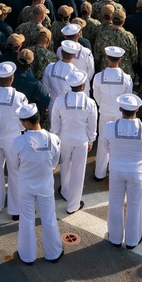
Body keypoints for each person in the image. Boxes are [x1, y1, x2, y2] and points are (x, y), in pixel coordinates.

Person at [11, 102, 63, 265]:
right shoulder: (54, 139)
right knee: (48, 218)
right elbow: (55, 162)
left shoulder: (18, 141)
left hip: (25, 186)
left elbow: (14, 165)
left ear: (26, 122)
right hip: (45, 185)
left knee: (26, 220)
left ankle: (27, 256)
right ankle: (53, 253)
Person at [102, 93, 142, 249]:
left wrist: (117, 157)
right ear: (137, 110)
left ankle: (115, 238)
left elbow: (107, 147)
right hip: (137, 171)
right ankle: (132, 241)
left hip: (116, 169)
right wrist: (139, 159)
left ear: (120, 109)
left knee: (115, 203)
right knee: (134, 205)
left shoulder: (110, 127)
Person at [50, 69, 97, 213]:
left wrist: (55, 141)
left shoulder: (59, 101)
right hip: (81, 141)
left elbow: (55, 125)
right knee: (78, 172)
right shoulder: (90, 103)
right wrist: (91, 140)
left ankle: (65, 191)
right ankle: (73, 204)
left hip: (64, 139)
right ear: (83, 86)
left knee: (64, 166)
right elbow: (92, 126)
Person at [0, 61, 29, 219]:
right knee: (15, 173)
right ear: (12, 77)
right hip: (14, 138)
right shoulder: (19, 97)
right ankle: (15, 210)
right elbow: (24, 120)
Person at [91, 46, 134, 181]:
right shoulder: (126, 78)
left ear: (106, 58)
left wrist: (103, 105)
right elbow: (128, 98)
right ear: (120, 60)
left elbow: (96, 96)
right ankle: (116, 171)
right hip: (119, 114)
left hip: (104, 112)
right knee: (118, 143)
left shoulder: (98, 77)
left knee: (103, 142)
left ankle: (100, 173)